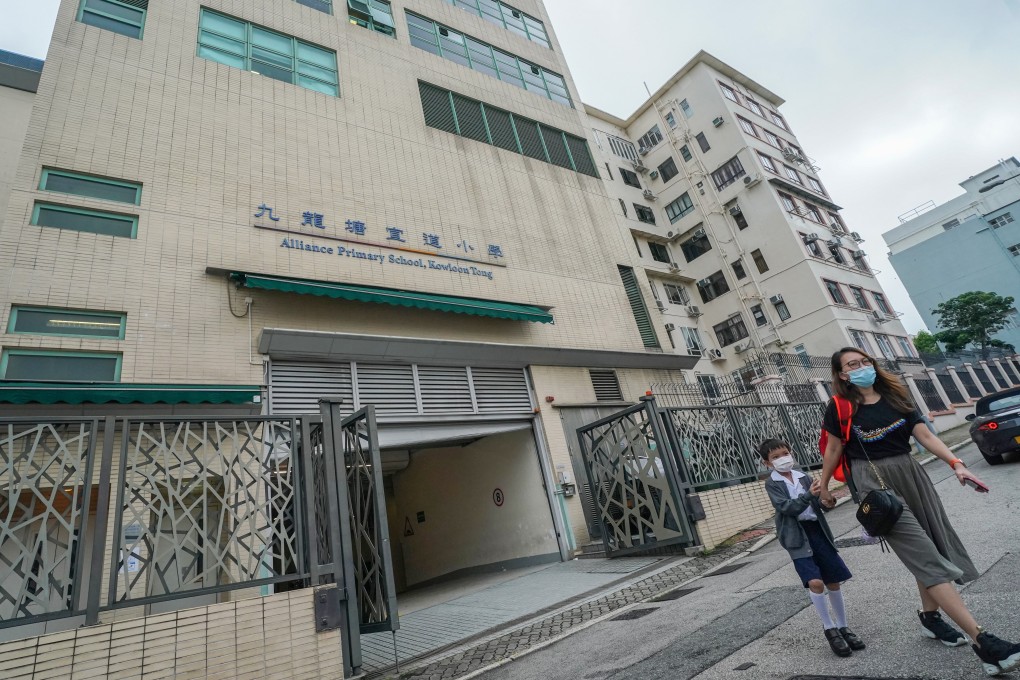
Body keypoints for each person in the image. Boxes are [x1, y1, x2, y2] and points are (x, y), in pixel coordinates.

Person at [818, 347, 1020, 676]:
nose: (862, 367)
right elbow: (835, 447)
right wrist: (826, 486)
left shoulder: (896, 395)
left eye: (865, 361)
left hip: (912, 475)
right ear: (842, 375)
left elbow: (923, 434)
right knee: (926, 556)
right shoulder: (841, 407)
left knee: (930, 548)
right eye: (853, 365)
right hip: (876, 485)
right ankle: (983, 642)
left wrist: (956, 464)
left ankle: (930, 618)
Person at [760, 438, 864, 658]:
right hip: (796, 537)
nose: (782, 459)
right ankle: (830, 629)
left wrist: (827, 501)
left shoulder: (804, 477)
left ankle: (844, 626)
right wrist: (810, 495)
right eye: (775, 457)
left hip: (818, 531)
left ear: (791, 452)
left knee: (833, 580)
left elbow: (816, 505)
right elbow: (786, 507)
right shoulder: (772, 483)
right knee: (815, 582)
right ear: (768, 463)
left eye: (784, 453)